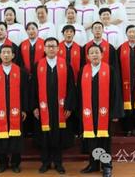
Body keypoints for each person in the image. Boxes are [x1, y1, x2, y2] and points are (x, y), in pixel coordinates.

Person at [79, 44, 124, 177]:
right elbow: (79, 92)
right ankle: (93, 164)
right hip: (89, 111)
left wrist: (115, 112)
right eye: (91, 53)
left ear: (102, 54)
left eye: (96, 52)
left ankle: (106, 166)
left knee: (104, 140)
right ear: (87, 56)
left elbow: (116, 92)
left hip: (105, 112)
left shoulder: (109, 69)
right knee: (91, 139)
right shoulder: (83, 70)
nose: (94, 55)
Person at [32, 37, 75, 174]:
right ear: (44, 49)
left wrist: (69, 106)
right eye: (48, 46)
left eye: (53, 46)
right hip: (43, 107)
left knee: (58, 135)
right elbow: (32, 88)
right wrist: (34, 107)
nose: (51, 48)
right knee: (45, 135)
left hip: (60, 107)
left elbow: (71, 87)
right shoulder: (38, 65)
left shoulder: (65, 65)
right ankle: (45, 162)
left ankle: (58, 162)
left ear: (58, 48)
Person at [0, 45, 29, 173]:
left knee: (16, 138)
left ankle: (15, 163)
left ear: (13, 55)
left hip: (16, 111)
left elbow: (25, 92)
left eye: (8, 52)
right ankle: (2, 163)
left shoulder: (21, 71)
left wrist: (24, 109)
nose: (6, 55)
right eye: (3, 53)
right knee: (0, 138)